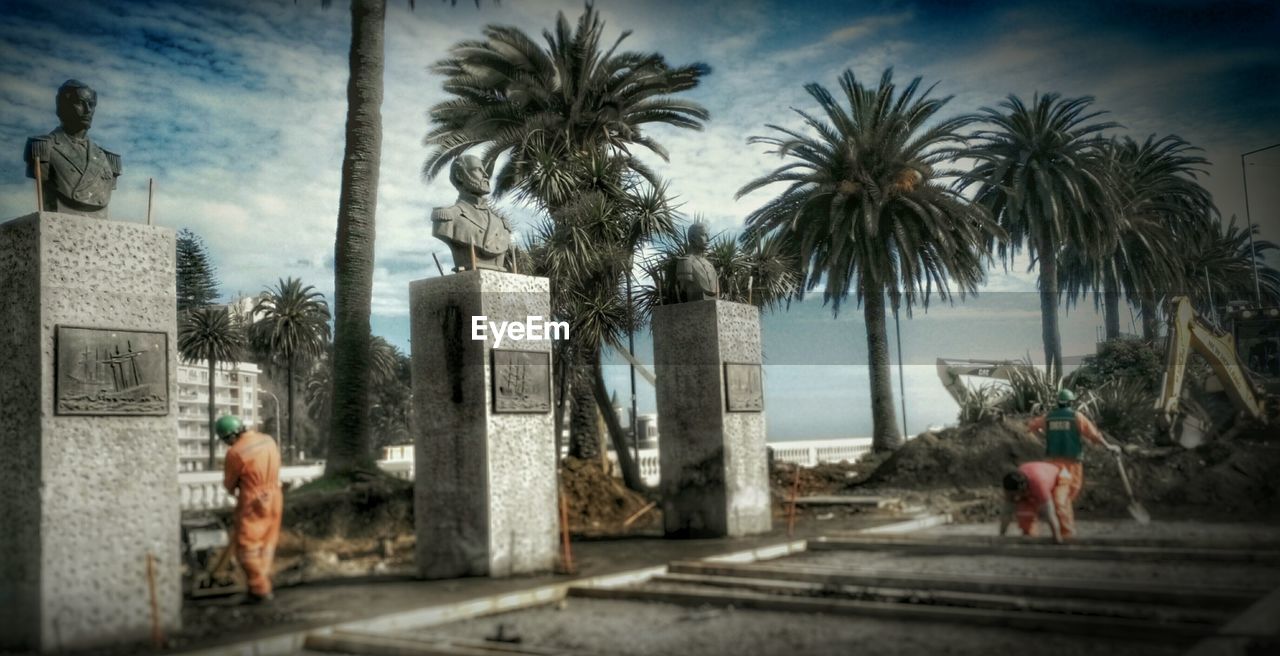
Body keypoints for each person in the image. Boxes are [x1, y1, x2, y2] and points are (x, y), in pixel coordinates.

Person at [1026, 388, 1120, 538]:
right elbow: (1094, 436)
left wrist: (1043, 436)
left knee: (1062, 495)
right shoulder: (1076, 417)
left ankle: (1063, 527)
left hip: (1052, 462)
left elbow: (1031, 426)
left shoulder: (1049, 417)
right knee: (1067, 494)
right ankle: (1066, 531)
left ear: (1058, 401)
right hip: (1072, 462)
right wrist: (1109, 446)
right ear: (1071, 402)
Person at [24, 80, 122, 217]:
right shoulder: (43, 146)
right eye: (80, 103)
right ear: (63, 106)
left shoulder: (106, 158)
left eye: (91, 104)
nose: (88, 110)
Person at [217, 415, 282, 603]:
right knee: (267, 543)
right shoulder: (268, 440)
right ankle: (262, 582)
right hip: (275, 495)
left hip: (254, 500)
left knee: (247, 546)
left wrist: (235, 489)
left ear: (229, 436)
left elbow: (230, 485)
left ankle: (259, 590)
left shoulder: (235, 452)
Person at [431, 154, 515, 272]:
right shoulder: (449, 217)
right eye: (478, 170)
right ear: (459, 175)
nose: (485, 175)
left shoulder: (501, 224)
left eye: (484, 171)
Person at [999, 462, 1066, 544]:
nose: (1013, 497)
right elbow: (1007, 511)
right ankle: (1030, 535)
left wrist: (1056, 537)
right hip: (1034, 480)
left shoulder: (1039, 485)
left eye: (1015, 494)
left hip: (1060, 477)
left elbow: (1049, 513)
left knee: (1059, 505)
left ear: (1021, 489)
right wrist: (1001, 535)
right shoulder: (1011, 486)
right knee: (1023, 509)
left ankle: (1066, 536)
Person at [674, 222, 719, 302]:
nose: (708, 239)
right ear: (692, 238)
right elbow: (684, 287)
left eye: (708, 235)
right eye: (704, 235)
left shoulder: (710, 266)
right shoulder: (685, 262)